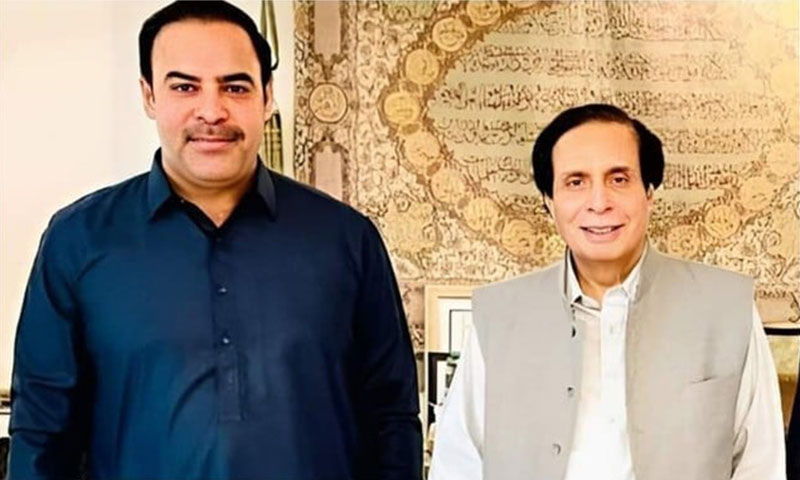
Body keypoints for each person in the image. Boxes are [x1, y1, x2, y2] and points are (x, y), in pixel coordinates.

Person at [7, 2, 421, 478]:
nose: (211, 111)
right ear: (149, 96)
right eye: (184, 87)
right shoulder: (78, 241)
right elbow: (41, 432)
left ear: (266, 96)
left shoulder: (346, 240)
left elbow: (392, 419)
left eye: (235, 87)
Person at [429, 103, 785, 480]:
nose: (599, 203)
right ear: (549, 200)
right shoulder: (499, 318)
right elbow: (457, 466)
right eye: (576, 182)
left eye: (618, 179)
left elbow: (761, 465)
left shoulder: (725, 309)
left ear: (649, 192)